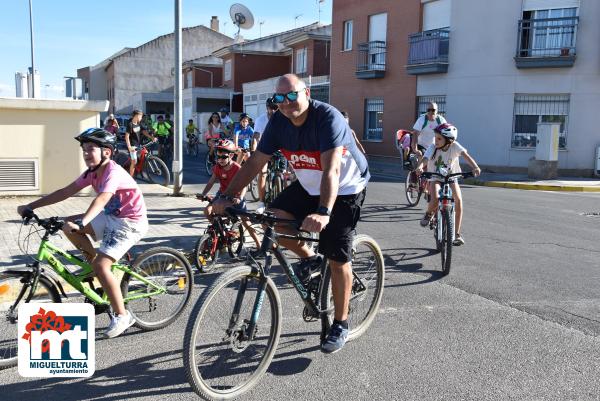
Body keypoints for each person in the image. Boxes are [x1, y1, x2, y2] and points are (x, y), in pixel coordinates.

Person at [212, 73, 370, 354]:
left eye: (291, 96)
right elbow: (255, 163)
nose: (285, 103)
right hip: (309, 183)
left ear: (306, 93)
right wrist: (227, 196)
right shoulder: (278, 123)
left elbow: (331, 170)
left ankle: (341, 323)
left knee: (336, 257)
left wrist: (323, 212)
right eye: (279, 98)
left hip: (345, 187)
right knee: (273, 220)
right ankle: (310, 259)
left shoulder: (327, 118)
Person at [17, 128, 149, 338]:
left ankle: (123, 315)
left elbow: (102, 199)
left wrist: (83, 221)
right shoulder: (91, 173)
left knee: (100, 263)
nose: (86, 153)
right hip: (111, 216)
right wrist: (31, 206)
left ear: (106, 152)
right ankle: (94, 265)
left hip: (129, 223)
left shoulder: (113, 172)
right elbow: (65, 192)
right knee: (65, 224)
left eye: (91, 149)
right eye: (84, 149)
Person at [415, 123, 481, 245]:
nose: (436, 140)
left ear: (449, 140)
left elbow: (466, 156)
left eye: (439, 138)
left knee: (458, 200)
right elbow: (425, 159)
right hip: (435, 176)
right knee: (435, 199)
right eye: (435, 137)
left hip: (451, 177)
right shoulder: (433, 147)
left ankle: (456, 234)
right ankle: (428, 214)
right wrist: (419, 167)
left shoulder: (454, 146)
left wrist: (475, 167)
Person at [199, 139, 261, 250]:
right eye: (218, 157)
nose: (220, 160)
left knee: (246, 221)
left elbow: (244, 185)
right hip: (222, 195)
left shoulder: (237, 168)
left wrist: (239, 197)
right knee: (207, 211)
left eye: (223, 157)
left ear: (231, 155)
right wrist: (203, 194)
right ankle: (222, 233)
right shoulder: (217, 167)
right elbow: (211, 181)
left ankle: (259, 245)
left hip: (236, 196)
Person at [252, 97, 279, 213]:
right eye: (270, 108)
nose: (273, 110)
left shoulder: (283, 118)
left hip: (279, 149)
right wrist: (254, 150)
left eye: (275, 108)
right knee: (262, 173)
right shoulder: (261, 120)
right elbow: (256, 137)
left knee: (282, 174)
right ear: (267, 108)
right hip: (264, 149)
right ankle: (262, 202)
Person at [125, 110, 157, 177]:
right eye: (141, 116)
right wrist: (129, 147)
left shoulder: (139, 123)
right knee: (134, 162)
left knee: (144, 154)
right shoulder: (130, 124)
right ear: (137, 116)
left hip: (138, 144)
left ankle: (139, 171)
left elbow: (144, 132)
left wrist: (151, 137)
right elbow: (127, 137)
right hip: (132, 146)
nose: (141, 118)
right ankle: (130, 179)